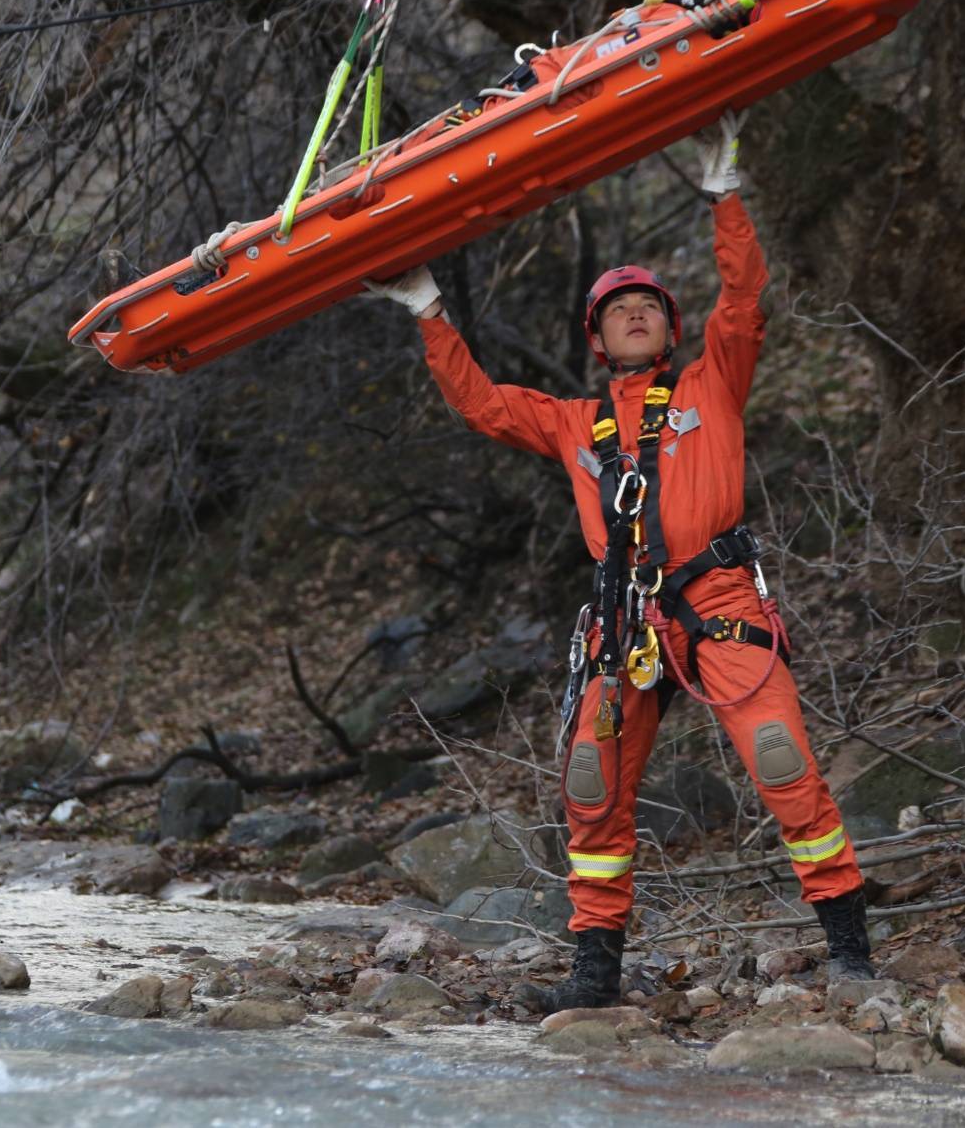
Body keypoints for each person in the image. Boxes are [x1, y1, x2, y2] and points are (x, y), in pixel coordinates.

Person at [366, 112, 873, 1015]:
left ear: (667, 329)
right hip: (622, 619)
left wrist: (726, 196)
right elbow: (481, 404)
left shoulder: (716, 379)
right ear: (597, 339)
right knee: (592, 791)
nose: (634, 313)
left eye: (647, 305)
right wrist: (428, 308)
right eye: (615, 309)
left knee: (781, 758)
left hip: (718, 599)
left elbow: (743, 297)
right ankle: (594, 975)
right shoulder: (571, 422)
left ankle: (850, 952)